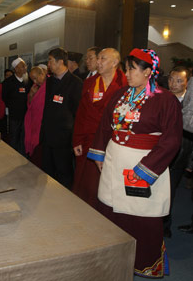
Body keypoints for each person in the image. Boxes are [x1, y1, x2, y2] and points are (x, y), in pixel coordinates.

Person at [87, 48, 183, 277]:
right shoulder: (120, 95)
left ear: (149, 71)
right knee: (111, 210)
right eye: (127, 68)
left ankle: (144, 262)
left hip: (142, 166)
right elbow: (104, 127)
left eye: (132, 69)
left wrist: (146, 168)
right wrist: (99, 154)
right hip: (114, 162)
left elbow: (171, 140)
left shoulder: (165, 99)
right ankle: (112, 256)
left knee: (140, 216)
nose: (127, 73)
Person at [72, 48, 127, 208]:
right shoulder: (90, 83)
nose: (98, 62)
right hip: (89, 138)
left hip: (112, 141)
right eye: (99, 59)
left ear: (115, 63)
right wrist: (77, 139)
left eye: (103, 59)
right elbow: (81, 114)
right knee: (87, 181)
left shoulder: (125, 84)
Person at [40, 48, 83, 188]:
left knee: (64, 174)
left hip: (64, 139)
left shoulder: (75, 83)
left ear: (60, 62)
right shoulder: (50, 81)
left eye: (51, 61)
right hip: (48, 136)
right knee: (46, 173)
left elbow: (77, 113)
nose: (48, 64)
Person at [166, 66, 193, 237]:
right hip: (162, 155)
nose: (174, 84)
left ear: (187, 83)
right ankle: (162, 224)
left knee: (172, 191)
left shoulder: (189, 105)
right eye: (171, 79)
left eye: (179, 80)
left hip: (181, 156)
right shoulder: (160, 99)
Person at [2, 57, 32, 155]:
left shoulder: (28, 81)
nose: (25, 68)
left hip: (26, 115)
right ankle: (13, 155)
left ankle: (22, 156)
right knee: (14, 136)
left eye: (25, 66)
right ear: (16, 69)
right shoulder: (8, 82)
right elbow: (4, 97)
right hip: (14, 115)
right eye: (22, 66)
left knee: (23, 137)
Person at [24, 66, 47, 167]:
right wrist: (31, 95)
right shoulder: (34, 87)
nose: (35, 81)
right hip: (34, 121)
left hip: (44, 123)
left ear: (42, 74)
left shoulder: (50, 85)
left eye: (36, 78)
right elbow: (29, 104)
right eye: (32, 79)